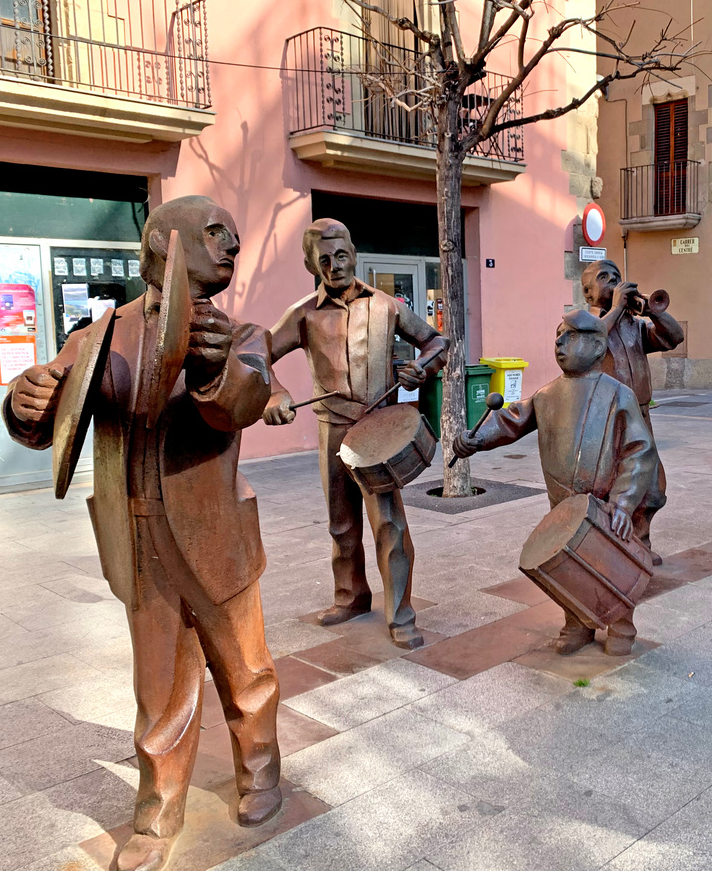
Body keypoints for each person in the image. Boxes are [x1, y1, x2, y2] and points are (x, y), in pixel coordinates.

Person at [3, 195, 281, 871]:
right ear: (165, 241)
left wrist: (216, 371)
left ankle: (262, 770)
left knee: (245, 669)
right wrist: (24, 402)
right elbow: (52, 413)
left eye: (236, 238)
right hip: (138, 534)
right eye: (218, 233)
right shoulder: (99, 335)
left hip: (216, 532)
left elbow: (244, 401)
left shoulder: (241, 334)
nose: (233, 246)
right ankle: (158, 810)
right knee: (158, 684)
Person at [263, 219, 447, 648]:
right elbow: (259, 353)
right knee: (341, 525)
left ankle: (401, 614)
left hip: (376, 430)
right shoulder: (304, 314)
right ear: (312, 264)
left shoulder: (386, 306)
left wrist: (421, 368)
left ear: (354, 253)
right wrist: (275, 392)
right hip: (331, 431)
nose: (334, 266)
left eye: (341, 256)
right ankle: (351, 597)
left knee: (389, 524)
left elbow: (436, 341)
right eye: (323, 260)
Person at [452, 309, 657, 656]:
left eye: (570, 335)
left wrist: (623, 501)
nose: (559, 342)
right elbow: (510, 419)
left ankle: (621, 625)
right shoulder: (547, 395)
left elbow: (639, 451)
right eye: (558, 335)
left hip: (608, 504)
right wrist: (477, 438)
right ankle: (577, 623)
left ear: (596, 345)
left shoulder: (618, 395)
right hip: (563, 503)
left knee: (611, 561)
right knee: (569, 565)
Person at [581, 259, 683, 563]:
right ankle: (613, 549)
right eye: (604, 278)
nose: (614, 281)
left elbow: (674, 337)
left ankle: (640, 543)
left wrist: (652, 310)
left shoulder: (635, 327)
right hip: (607, 420)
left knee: (651, 485)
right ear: (588, 293)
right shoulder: (587, 326)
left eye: (617, 276)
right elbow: (590, 344)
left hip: (640, 416)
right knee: (612, 484)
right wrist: (614, 309)